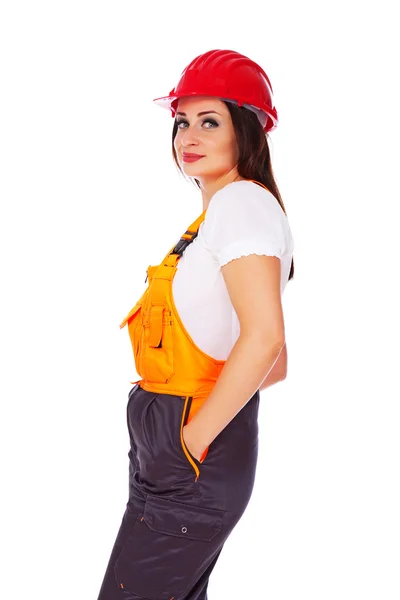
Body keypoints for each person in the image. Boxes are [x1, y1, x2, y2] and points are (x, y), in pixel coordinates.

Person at [96, 48, 295, 600]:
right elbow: (273, 365)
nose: (189, 134)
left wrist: (191, 441)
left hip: (190, 454)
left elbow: (267, 343)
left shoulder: (240, 207)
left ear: (250, 132)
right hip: (175, 450)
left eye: (210, 121)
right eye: (183, 121)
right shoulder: (218, 217)